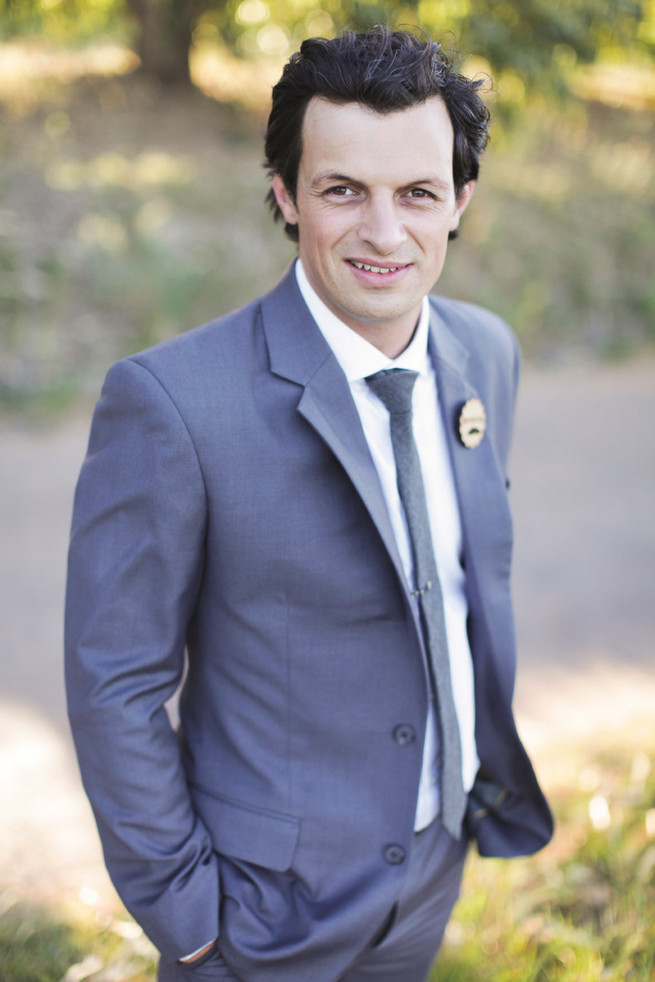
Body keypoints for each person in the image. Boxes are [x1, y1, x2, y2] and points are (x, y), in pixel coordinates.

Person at [65, 26, 553, 982]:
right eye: (342, 190)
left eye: (416, 192)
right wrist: (189, 917)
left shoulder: (486, 353)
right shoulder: (170, 403)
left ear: (459, 201)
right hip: (257, 912)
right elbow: (113, 680)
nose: (383, 232)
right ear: (286, 194)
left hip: (428, 870)